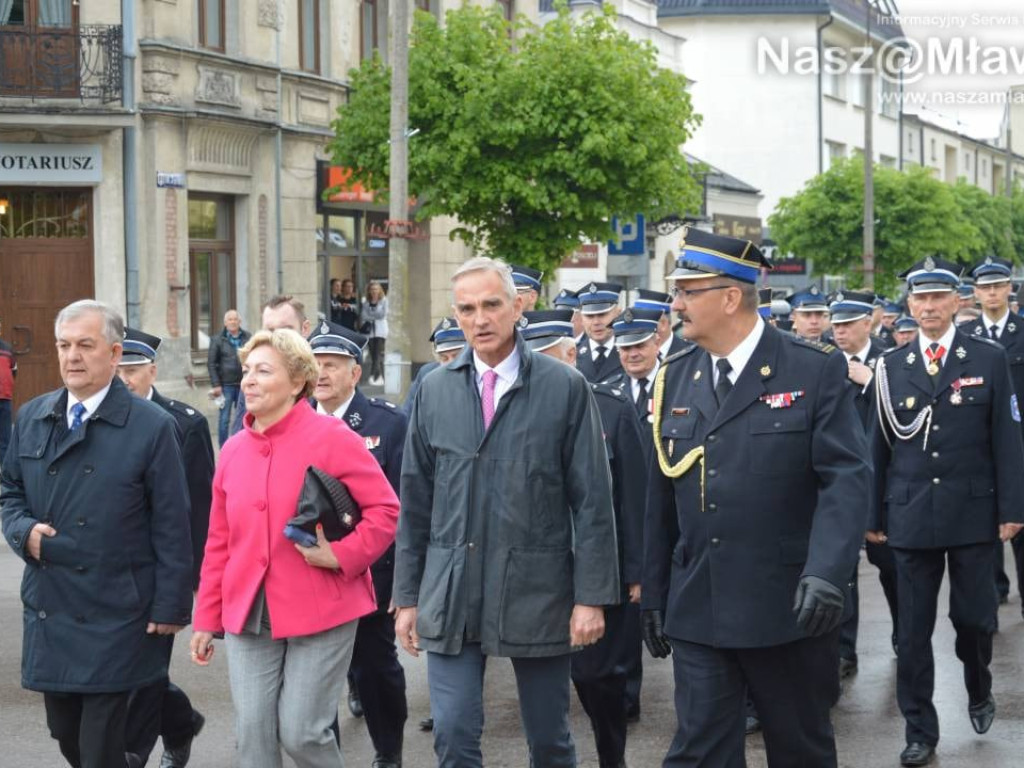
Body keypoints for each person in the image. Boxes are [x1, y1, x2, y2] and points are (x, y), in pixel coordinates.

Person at [642, 228, 871, 768]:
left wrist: (826, 571)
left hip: (788, 605)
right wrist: (653, 592)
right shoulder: (674, 376)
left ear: (729, 297)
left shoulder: (812, 369)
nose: (675, 305)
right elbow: (661, 495)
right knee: (700, 752)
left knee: (799, 749)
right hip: (701, 603)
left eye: (687, 292)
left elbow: (846, 478)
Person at [393, 256, 620, 768]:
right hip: (452, 588)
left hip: (538, 591)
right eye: (467, 309)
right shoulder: (433, 389)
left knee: (548, 739)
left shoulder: (564, 388)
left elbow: (592, 502)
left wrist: (591, 598)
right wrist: (408, 596)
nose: (480, 319)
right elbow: (416, 503)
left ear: (518, 306)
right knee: (451, 734)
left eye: (492, 305)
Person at [190, 328, 399, 768]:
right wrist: (207, 618)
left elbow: (385, 510)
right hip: (250, 612)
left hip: (323, 606)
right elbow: (219, 542)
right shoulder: (231, 450)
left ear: (298, 380)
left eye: (263, 371)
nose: (248, 380)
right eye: (246, 371)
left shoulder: (333, 436)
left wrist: (341, 556)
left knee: (303, 733)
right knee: (253, 736)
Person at [1, 300, 194, 768]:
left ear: (113, 353)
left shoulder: (152, 427)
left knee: (100, 748)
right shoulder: (32, 416)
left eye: (85, 345)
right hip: (53, 602)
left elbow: (173, 523)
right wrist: (23, 531)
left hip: (119, 610)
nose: (72, 357)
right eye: (64, 345)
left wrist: (171, 605)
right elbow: (9, 491)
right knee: (65, 732)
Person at [869, 256, 1024, 767]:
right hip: (911, 515)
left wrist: (1012, 507)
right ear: (909, 306)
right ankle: (920, 729)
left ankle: (978, 685)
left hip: (973, 514)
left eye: (939, 298)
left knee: (974, 620)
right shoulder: (891, 367)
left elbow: (1007, 436)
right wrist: (873, 515)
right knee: (912, 631)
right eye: (921, 299)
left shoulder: (987, 357)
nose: (930, 307)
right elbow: (878, 447)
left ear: (958, 302)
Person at [523, 308, 645, 768]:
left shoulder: (611, 407)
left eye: (547, 355)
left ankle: (612, 757)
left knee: (599, 678)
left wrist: (637, 572)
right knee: (549, 679)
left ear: (571, 353)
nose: (536, 364)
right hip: (538, 568)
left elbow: (635, 496)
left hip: (599, 566)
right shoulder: (516, 410)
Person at [308, 319, 409, 768]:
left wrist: (408, 581)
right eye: (315, 365)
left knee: (374, 668)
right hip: (308, 568)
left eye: (333, 365)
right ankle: (324, 752)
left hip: (371, 570)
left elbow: (405, 503)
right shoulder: (293, 421)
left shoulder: (386, 423)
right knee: (312, 674)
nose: (322, 374)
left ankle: (388, 748)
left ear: (355, 372)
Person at [116, 328, 214, 768]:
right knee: (119, 668)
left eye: (132, 371)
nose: (123, 381)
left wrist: (191, 581)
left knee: (142, 671)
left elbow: (198, 508)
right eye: (117, 370)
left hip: (157, 572)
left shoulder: (184, 423)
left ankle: (132, 754)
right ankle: (179, 722)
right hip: (105, 569)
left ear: (152, 371)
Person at [827, 291, 899, 679]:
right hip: (837, 482)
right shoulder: (822, 362)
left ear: (867, 323)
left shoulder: (889, 359)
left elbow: (903, 413)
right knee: (842, 568)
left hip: (879, 481)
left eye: (848, 323)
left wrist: (872, 383)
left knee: (889, 566)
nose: (839, 331)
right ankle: (843, 649)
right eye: (835, 324)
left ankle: (906, 632)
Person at [963, 257, 1024, 610]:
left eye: (998, 286)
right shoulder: (967, 336)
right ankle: (994, 589)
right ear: (974, 294)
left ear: (1009, 289)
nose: (992, 292)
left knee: (1019, 519)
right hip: (977, 443)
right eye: (985, 287)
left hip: (1018, 440)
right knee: (984, 525)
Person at [229, 295, 313, 437]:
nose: (276, 338)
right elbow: (240, 434)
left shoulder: (320, 378)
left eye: (285, 330)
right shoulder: (252, 380)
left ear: (305, 329)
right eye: (270, 330)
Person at [401, 317, 467, 419]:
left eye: (456, 356)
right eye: (444, 358)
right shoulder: (426, 374)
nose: (450, 363)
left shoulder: (479, 374)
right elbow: (408, 415)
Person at [207, 309, 251, 447]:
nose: (233, 322)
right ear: (225, 323)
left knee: (244, 416)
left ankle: (242, 445)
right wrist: (216, 384)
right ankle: (224, 448)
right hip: (225, 385)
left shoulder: (248, 337)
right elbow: (211, 363)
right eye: (230, 319)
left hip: (243, 384)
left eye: (235, 319)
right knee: (224, 419)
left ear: (240, 321)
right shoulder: (217, 340)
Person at [576, 282, 624, 383]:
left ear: (618, 314)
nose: (596, 322)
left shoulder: (629, 352)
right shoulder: (572, 355)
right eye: (589, 316)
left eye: (602, 314)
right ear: (581, 318)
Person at [633, 289, 687, 360]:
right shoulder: (630, 353)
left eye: (642, 321)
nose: (635, 327)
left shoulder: (689, 353)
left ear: (663, 324)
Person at [360, 281, 389, 386]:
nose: (374, 291)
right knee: (374, 355)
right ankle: (380, 376)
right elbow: (364, 316)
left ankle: (373, 376)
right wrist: (373, 315)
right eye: (372, 289)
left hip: (381, 331)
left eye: (376, 289)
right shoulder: (366, 302)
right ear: (369, 291)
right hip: (370, 332)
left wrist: (371, 314)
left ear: (380, 290)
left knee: (377, 353)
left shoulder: (384, 301)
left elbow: (382, 314)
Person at [0, 316, 17, 463]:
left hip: (5, 398)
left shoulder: (7, 348)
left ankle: (4, 468)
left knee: (5, 436)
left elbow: (13, 370)